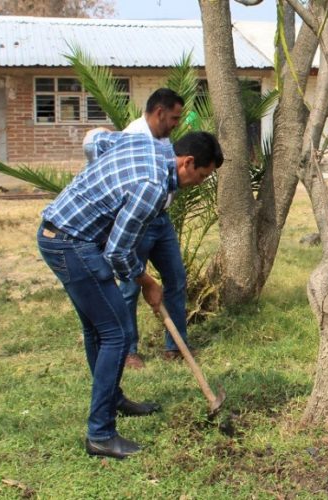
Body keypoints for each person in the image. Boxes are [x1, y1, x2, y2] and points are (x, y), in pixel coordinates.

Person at [38, 131, 223, 458]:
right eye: (203, 175)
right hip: (72, 244)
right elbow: (118, 252)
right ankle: (100, 434)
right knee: (117, 334)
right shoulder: (151, 187)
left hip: (57, 232)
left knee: (99, 329)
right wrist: (148, 282)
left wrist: (99, 188)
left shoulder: (144, 143)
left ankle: (112, 398)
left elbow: (95, 142)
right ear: (187, 162)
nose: (200, 182)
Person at [87, 88, 187, 369]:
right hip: (136, 222)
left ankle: (176, 346)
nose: (177, 123)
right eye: (175, 118)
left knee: (176, 280)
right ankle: (129, 350)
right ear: (159, 113)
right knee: (130, 286)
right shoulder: (133, 138)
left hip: (162, 221)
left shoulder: (163, 139)